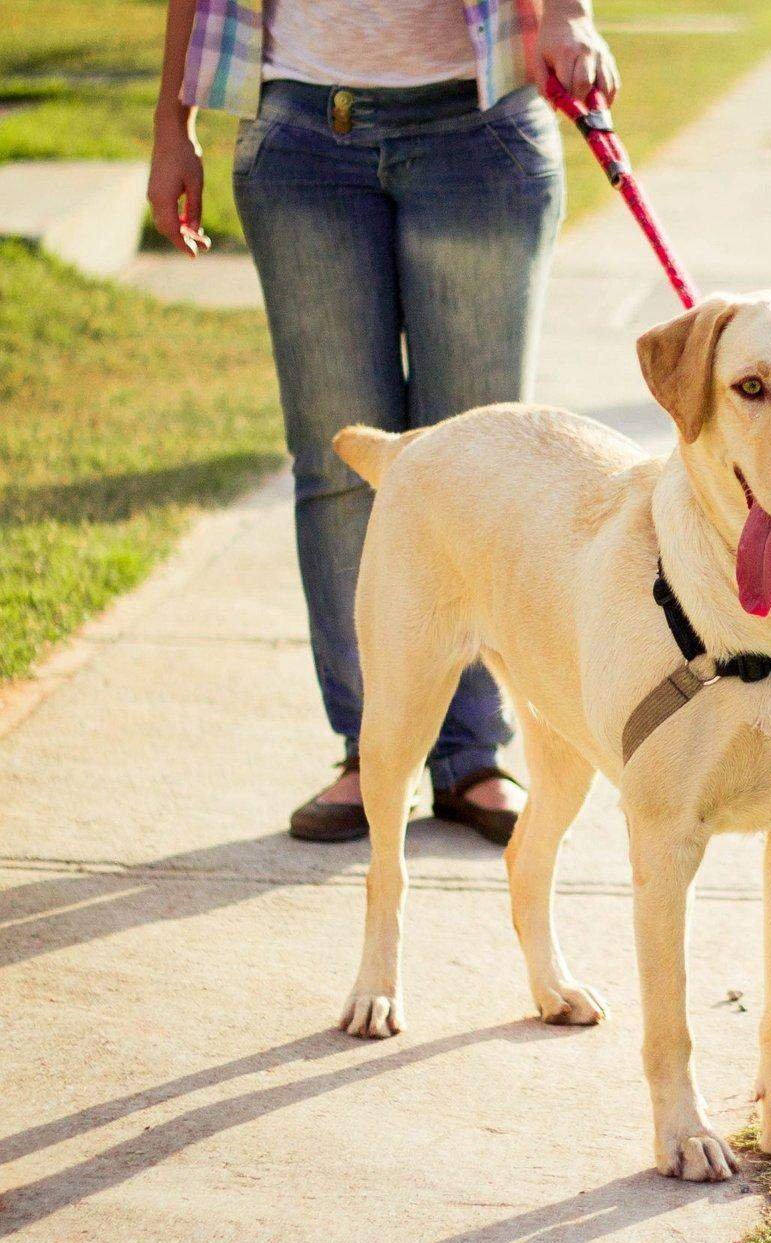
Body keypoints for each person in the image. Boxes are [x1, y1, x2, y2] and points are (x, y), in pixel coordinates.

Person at [146, 0, 617, 844]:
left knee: (486, 475)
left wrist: (571, 14)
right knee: (337, 463)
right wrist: (170, 121)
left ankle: (472, 752)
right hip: (300, 131)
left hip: (476, 125)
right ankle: (373, 750)